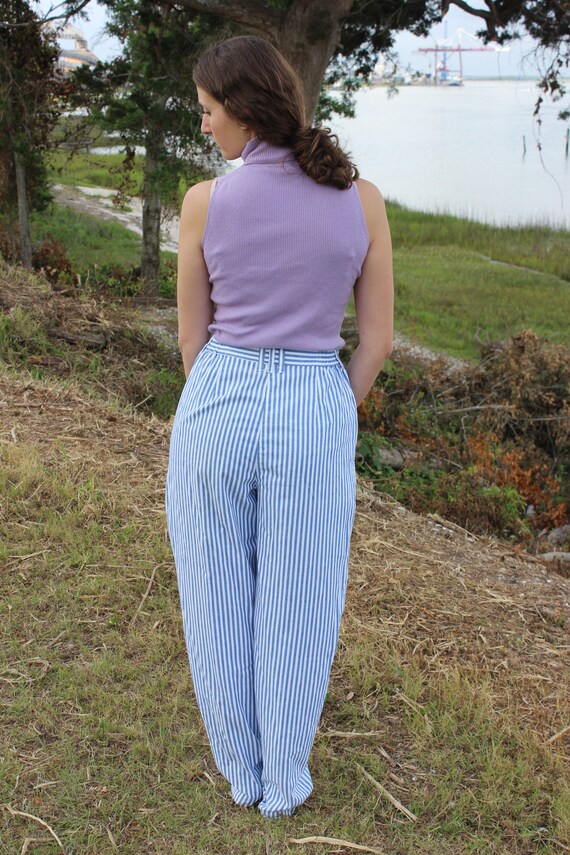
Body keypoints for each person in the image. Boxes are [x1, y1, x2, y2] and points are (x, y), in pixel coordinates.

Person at [165, 35, 393, 819]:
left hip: (220, 391)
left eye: (206, 111)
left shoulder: (204, 202)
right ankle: (285, 779)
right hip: (314, 397)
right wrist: (331, 405)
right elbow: (377, 340)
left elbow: (192, 339)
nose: (203, 128)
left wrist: (222, 401)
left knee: (216, 587)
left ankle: (241, 769)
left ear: (244, 109)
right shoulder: (361, 198)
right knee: (302, 598)